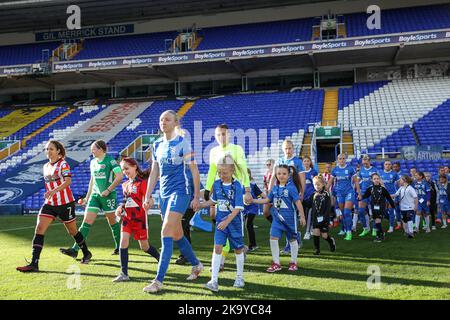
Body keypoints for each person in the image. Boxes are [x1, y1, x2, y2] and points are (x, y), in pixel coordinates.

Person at [142, 110, 203, 294]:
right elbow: (154, 172)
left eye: (167, 119)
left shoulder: (183, 143)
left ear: (175, 122)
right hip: (164, 194)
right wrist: (148, 195)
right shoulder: (157, 144)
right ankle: (197, 264)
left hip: (181, 192)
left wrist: (196, 196)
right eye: (161, 119)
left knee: (165, 231)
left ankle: (158, 280)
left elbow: (194, 170)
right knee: (176, 234)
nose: (163, 122)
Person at [17, 141, 92, 272]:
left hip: (65, 203)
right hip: (50, 204)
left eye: (51, 149)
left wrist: (53, 191)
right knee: (39, 228)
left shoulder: (63, 164)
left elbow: (68, 181)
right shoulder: (45, 166)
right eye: (47, 149)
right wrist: (51, 193)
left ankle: (86, 252)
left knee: (72, 231)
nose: (48, 151)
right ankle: (34, 263)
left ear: (58, 151)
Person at [60, 140, 124, 259]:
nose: (92, 151)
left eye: (94, 149)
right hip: (95, 196)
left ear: (101, 149)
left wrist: (108, 190)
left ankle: (119, 247)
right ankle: (75, 249)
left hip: (108, 196)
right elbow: (92, 181)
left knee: (113, 222)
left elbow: (120, 176)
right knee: (86, 223)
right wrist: (86, 198)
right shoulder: (93, 162)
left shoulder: (110, 160)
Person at [199, 154, 246, 292]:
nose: (221, 175)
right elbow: (214, 201)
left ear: (232, 170)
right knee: (217, 247)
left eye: (224, 172)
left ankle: (239, 277)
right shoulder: (216, 184)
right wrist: (200, 205)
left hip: (234, 222)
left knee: (238, 249)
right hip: (221, 223)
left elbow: (238, 208)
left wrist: (226, 222)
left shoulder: (237, 185)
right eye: (219, 172)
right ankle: (214, 280)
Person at [112, 158, 160, 282]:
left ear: (135, 167)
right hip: (127, 218)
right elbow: (125, 200)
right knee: (123, 241)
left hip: (139, 219)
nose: (125, 171)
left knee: (144, 247)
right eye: (123, 170)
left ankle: (161, 260)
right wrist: (119, 207)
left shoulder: (143, 182)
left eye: (127, 168)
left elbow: (149, 199)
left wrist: (148, 203)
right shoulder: (125, 184)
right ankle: (124, 273)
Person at [252, 164, 306, 272]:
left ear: (289, 175)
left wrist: (302, 216)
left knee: (292, 240)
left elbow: (298, 202)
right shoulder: (275, 188)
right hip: (277, 220)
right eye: (279, 173)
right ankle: (276, 263)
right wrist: (253, 200)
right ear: (276, 175)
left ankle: (293, 262)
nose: (281, 176)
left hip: (290, 219)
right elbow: (267, 200)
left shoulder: (291, 188)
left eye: (284, 174)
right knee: (273, 238)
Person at [268, 139, 305, 253]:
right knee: (277, 215)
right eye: (286, 148)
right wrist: (270, 190)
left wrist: (301, 192)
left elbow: (302, 178)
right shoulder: (279, 161)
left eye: (289, 148)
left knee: (290, 216)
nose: (288, 150)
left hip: (292, 193)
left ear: (293, 149)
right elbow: (273, 177)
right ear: (282, 149)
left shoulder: (297, 162)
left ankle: (291, 241)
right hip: (280, 194)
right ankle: (294, 236)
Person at [176, 169, 205, 265]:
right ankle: (187, 255)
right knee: (184, 229)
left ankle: (185, 255)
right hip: (177, 206)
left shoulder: (190, 173)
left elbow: (202, 189)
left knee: (181, 229)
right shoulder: (175, 171)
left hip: (189, 206)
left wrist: (196, 200)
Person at [326, 153, 358, 241]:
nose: (342, 160)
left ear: (346, 159)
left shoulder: (351, 168)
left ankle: (349, 232)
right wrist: (324, 190)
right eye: (340, 158)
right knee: (343, 213)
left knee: (347, 212)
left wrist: (359, 192)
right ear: (337, 160)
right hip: (339, 193)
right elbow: (330, 182)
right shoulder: (335, 170)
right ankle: (346, 227)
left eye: (343, 158)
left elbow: (356, 181)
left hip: (349, 192)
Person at [359, 173, 396, 242]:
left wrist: (393, 206)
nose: (376, 180)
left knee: (377, 220)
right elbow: (365, 196)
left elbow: (389, 198)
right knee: (376, 221)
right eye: (374, 179)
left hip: (381, 206)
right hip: (374, 206)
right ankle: (381, 233)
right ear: (372, 180)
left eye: (377, 179)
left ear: (380, 179)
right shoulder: (370, 188)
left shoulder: (383, 189)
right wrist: (360, 198)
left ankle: (379, 236)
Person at [309, 175, 336, 255]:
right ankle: (317, 250)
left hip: (324, 219)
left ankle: (331, 241)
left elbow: (328, 207)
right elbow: (308, 203)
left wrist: (327, 217)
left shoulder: (326, 195)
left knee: (324, 236)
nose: (316, 186)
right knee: (316, 233)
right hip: (315, 218)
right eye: (315, 184)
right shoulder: (313, 194)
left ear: (323, 184)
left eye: (318, 184)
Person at [355, 155, 379, 237]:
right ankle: (365, 228)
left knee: (375, 212)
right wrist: (359, 193)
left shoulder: (374, 170)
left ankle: (375, 229)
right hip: (364, 193)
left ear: (369, 161)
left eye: (366, 161)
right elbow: (357, 182)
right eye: (363, 161)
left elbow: (379, 181)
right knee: (361, 211)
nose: (364, 163)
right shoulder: (361, 170)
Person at [243, 168, 266, 252]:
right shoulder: (239, 184)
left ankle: (251, 245)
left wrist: (269, 199)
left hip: (252, 207)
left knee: (248, 225)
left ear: (249, 174)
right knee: (249, 226)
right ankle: (254, 245)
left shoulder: (252, 184)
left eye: (247, 173)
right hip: (244, 208)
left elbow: (261, 194)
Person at [380, 160, 401, 233]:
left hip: (391, 195)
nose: (387, 165)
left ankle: (391, 227)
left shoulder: (394, 174)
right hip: (382, 194)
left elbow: (399, 185)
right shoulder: (380, 173)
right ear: (384, 165)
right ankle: (378, 227)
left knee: (391, 210)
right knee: (382, 211)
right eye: (386, 164)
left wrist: (398, 194)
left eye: (389, 164)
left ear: (391, 165)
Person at [301, 156, 318, 240]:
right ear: (302, 162)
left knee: (310, 212)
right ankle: (310, 227)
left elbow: (317, 183)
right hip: (303, 196)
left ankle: (307, 232)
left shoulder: (314, 172)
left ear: (310, 162)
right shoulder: (300, 173)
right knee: (305, 214)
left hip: (312, 195)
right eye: (305, 161)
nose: (306, 162)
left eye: (308, 161)